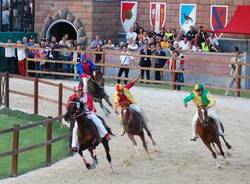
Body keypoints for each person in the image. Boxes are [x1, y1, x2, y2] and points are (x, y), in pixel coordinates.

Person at [67, 85, 111, 152]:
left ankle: (106, 134)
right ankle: (74, 145)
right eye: (76, 92)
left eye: (79, 92)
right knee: (75, 129)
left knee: (98, 121)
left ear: (82, 92)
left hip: (90, 112)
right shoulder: (73, 97)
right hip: (81, 115)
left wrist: (84, 113)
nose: (78, 93)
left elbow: (90, 107)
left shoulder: (88, 97)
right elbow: (68, 105)